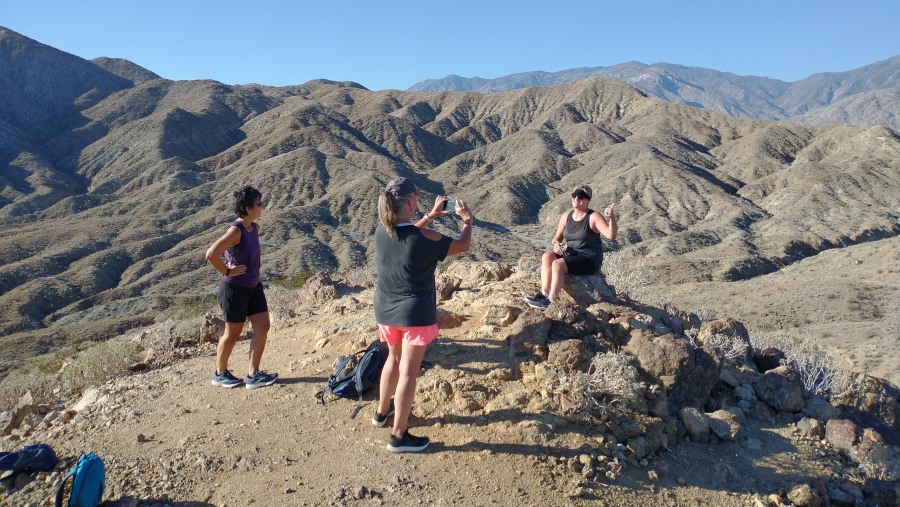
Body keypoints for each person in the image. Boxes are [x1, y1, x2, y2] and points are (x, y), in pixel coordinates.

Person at [372, 177, 474, 453]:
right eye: (415, 197)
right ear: (408, 203)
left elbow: (409, 235)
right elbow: (462, 245)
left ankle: (381, 414)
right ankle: (398, 436)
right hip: (414, 313)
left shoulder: (383, 233)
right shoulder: (424, 238)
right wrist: (467, 221)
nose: (417, 201)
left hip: (385, 309)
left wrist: (430, 216)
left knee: (392, 361)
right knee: (408, 371)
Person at [205, 186, 278, 390]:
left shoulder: (254, 228)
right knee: (233, 333)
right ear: (247, 208)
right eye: (258, 204)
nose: (261, 207)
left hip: (253, 286)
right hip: (234, 289)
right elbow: (211, 254)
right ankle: (220, 373)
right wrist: (227, 271)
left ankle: (253, 374)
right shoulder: (235, 231)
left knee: (263, 326)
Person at [525, 185, 617, 309]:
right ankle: (544, 294)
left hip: (589, 258)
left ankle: (551, 301)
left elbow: (611, 235)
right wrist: (556, 244)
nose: (576, 198)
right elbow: (557, 237)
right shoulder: (566, 216)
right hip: (571, 254)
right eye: (574, 196)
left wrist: (611, 218)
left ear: (588, 200)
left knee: (557, 265)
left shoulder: (593, 217)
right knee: (547, 257)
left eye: (581, 197)